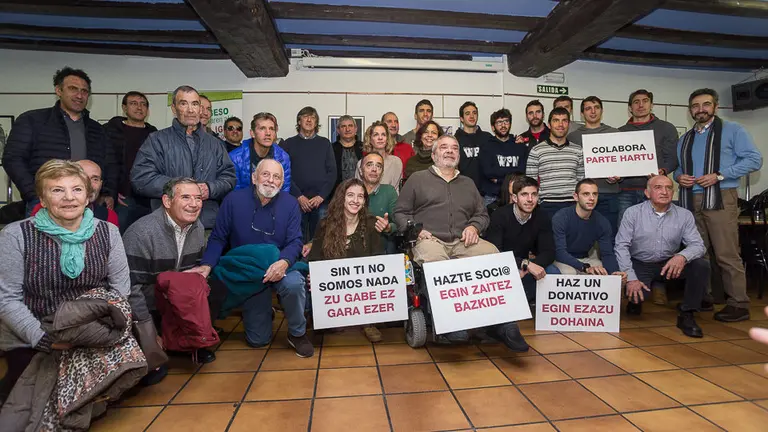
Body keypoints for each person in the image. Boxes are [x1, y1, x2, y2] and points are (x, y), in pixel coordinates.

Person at [0, 160, 130, 403]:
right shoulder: (15, 235)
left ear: (88, 196)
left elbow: (120, 291)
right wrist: (44, 339)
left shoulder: (108, 232)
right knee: (36, 400)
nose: (69, 198)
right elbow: (7, 300)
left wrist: (91, 333)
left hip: (91, 328)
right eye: (57, 190)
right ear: (43, 199)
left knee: (104, 393)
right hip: (33, 332)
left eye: (77, 189)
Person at [394, 135, 528, 351]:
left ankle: (504, 324)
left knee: (493, 255)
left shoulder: (468, 183)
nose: (449, 151)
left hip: (462, 240)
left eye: (454, 148)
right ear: (434, 154)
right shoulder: (418, 179)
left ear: (459, 154)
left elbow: (482, 214)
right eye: (444, 147)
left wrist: (474, 227)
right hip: (429, 239)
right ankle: (449, 323)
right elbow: (400, 212)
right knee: (437, 263)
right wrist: (416, 231)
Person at [191, 159, 312, 357]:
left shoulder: (290, 204)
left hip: (280, 265)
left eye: (276, 177)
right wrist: (207, 265)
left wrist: (283, 262)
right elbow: (218, 238)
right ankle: (265, 310)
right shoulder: (233, 200)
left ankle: (297, 333)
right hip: (247, 270)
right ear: (254, 178)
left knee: (294, 284)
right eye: (265, 174)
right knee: (258, 340)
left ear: (282, 183)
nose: (271, 180)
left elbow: (295, 241)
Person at [675, 88, 763, 322]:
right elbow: (679, 168)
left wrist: (720, 175)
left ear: (715, 106)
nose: (700, 109)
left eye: (706, 104)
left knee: (726, 253)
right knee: (697, 252)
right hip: (690, 200)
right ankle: (703, 297)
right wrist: (678, 177)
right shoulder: (685, 139)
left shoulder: (733, 130)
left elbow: (754, 160)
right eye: (695, 106)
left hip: (721, 196)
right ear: (690, 110)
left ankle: (739, 303)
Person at [123, 177, 217, 366]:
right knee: (153, 372)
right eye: (186, 197)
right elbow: (131, 289)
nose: (194, 204)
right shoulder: (141, 233)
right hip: (148, 305)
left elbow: (193, 275)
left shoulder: (197, 228)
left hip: (175, 299)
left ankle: (189, 342)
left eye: (198, 198)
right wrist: (149, 334)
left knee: (213, 286)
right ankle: (160, 338)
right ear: (167, 201)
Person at [3, 67, 117, 217]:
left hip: (86, 205)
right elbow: (13, 159)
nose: (79, 95)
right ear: (58, 90)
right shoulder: (32, 120)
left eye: (84, 91)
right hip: (44, 204)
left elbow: (110, 164)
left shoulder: (98, 129)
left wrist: (107, 192)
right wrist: (34, 194)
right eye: (73, 89)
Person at [130, 85, 236, 231]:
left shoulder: (215, 144)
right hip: (166, 226)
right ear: (174, 108)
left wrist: (210, 188)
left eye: (195, 104)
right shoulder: (156, 140)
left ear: (200, 109)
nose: (190, 110)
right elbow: (141, 178)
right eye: (183, 103)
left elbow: (229, 178)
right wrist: (179, 188)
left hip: (206, 225)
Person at [614, 176, 708, 337]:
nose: (664, 192)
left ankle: (687, 313)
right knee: (637, 297)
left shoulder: (684, 215)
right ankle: (634, 301)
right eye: (658, 187)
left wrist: (682, 256)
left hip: (668, 264)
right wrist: (631, 278)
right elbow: (621, 246)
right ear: (647, 193)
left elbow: (698, 245)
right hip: (640, 263)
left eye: (669, 188)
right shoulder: (632, 213)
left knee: (701, 265)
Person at [308, 178, 383, 341]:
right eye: (350, 195)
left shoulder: (371, 224)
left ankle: (368, 322)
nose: (355, 200)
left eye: (360, 196)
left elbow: (378, 260)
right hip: (334, 290)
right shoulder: (325, 224)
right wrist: (314, 276)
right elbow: (314, 258)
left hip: (364, 288)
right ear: (341, 197)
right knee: (326, 328)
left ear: (364, 201)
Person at [487, 176, 559, 305]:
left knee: (553, 272)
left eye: (534, 194)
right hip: (503, 265)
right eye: (524, 194)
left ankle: (530, 303)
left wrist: (528, 266)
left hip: (526, 266)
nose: (530, 199)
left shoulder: (542, 216)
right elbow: (495, 253)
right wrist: (524, 264)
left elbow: (549, 251)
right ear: (515, 198)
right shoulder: (499, 216)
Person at [617, 89, 680, 224]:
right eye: (636, 102)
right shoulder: (619, 132)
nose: (641, 105)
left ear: (651, 105)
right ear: (630, 108)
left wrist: (663, 171)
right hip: (625, 191)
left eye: (645, 101)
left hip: (656, 189)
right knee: (625, 229)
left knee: (656, 228)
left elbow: (673, 158)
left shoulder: (666, 128)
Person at [104, 91, 157, 233]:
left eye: (143, 104)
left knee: (145, 239)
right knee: (117, 238)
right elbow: (104, 163)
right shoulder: (109, 131)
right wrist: (110, 192)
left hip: (148, 200)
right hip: (122, 199)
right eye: (134, 103)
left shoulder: (154, 135)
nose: (139, 107)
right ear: (124, 108)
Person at [281, 106, 336, 242]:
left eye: (313, 117)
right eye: (305, 117)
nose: (309, 120)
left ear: (316, 123)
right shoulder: (288, 144)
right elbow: (283, 173)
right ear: (299, 121)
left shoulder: (325, 143)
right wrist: (299, 196)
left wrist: (321, 196)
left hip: (321, 202)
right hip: (296, 201)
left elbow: (332, 172)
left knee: (319, 241)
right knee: (295, 240)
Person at [567, 96, 620, 233]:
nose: (593, 111)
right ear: (582, 113)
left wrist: (619, 176)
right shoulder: (572, 137)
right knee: (582, 235)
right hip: (583, 195)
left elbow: (623, 162)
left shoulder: (615, 133)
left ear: (602, 110)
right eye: (588, 108)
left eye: (596, 107)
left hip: (609, 193)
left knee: (609, 234)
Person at [551, 179, 622, 278]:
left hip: (584, 258)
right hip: (561, 259)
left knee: (602, 271)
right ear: (576, 197)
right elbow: (559, 252)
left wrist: (615, 273)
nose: (591, 198)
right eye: (586, 194)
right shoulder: (561, 217)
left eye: (595, 194)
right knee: (570, 272)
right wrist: (584, 267)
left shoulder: (602, 221)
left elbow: (607, 253)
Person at [526, 107, 584, 218]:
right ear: (549, 125)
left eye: (564, 120)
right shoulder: (536, 150)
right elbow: (530, 183)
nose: (560, 124)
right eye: (556, 120)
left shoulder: (578, 150)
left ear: (569, 124)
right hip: (547, 205)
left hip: (572, 205)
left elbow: (581, 181)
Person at [30, 159, 118, 227]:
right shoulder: (42, 211)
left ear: (101, 184)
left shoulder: (108, 218)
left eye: (95, 179)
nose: (89, 185)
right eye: (83, 178)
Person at [230, 112, 293, 193]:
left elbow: (284, 190)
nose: (268, 133)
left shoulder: (283, 157)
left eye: (271, 129)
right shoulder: (235, 158)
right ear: (252, 133)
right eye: (262, 128)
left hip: (273, 200)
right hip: (244, 200)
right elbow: (235, 194)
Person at [480, 108, 527, 206]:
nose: (503, 125)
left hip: (515, 196)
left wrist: (498, 179)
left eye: (506, 121)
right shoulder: (487, 146)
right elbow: (488, 172)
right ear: (493, 127)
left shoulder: (519, 145)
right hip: (492, 197)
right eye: (499, 122)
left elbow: (522, 172)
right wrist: (511, 174)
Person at [360, 152, 397, 253]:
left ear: (382, 172)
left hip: (380, 246)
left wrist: (388, 227)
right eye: (369, 165)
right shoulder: (351, 191)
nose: (374, 169)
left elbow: (399, 223)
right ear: (361, 170)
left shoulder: (389, 191)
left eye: (378, 166)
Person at [455, 101, 493, 191]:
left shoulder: (488, 138)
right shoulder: (455, 140)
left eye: (474, 113)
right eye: (467, 113)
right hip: (463, 190)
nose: (472, 116)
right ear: (461, 118)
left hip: (486, 193)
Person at [356, 121, 402, 191]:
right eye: (376, 135)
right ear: (370, 139)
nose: (380, 138)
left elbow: (396, 190)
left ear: (387, 139)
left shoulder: (396, 162)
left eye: (383, 134)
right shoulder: (361, 163)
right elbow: (358, 190)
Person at [332, 115, 363, 196]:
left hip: (361, 193)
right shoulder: (331, 149)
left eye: (350, 126)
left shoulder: (364, 148)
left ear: (356, 129)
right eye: (343, 126)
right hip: (337, 195)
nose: (347, 129)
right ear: (338, 130)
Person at [382, 112, 415, 177]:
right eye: (389, 121)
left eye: (396, 122)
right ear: (382, 125)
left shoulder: (407, 148)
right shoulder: (376, 147)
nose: (394, 125)